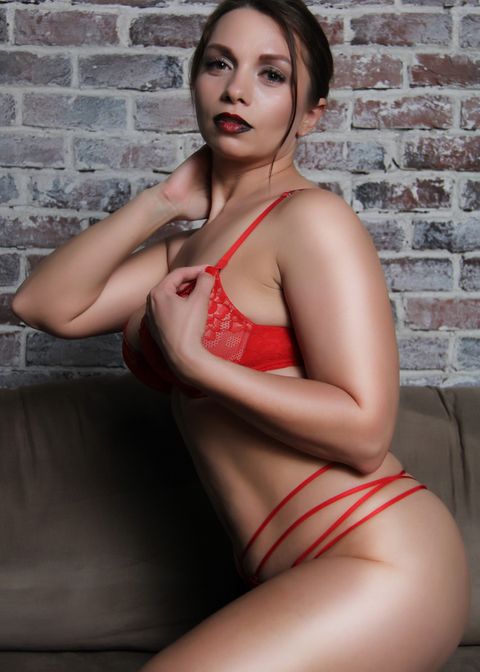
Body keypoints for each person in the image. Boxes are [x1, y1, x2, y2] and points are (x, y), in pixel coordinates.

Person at [12, 0, 470, 669]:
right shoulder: (183, 249)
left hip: (379, 560)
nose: (236, 90)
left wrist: (198, 364)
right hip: (286, 579)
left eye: (272, 74)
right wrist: (162, 202)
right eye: (219, 64)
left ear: (311, 114)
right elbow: (42, 305)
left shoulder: (310, 220)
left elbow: (365, 430)